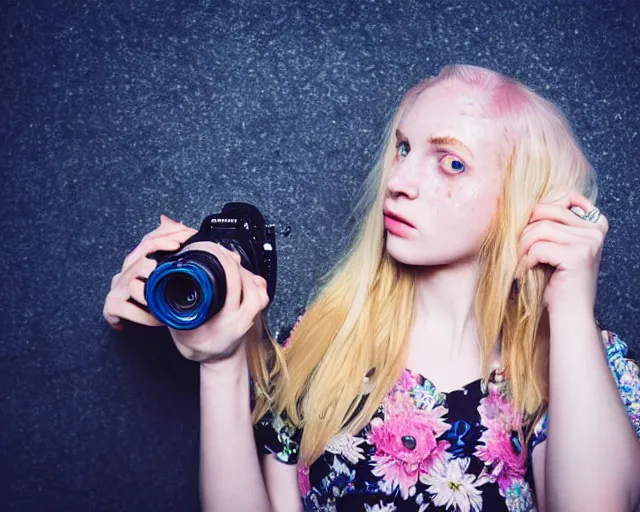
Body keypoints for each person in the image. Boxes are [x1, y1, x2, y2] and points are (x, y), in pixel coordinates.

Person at [103, 64, 640, 511]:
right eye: (404, 148)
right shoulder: (320, 348)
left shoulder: (576, 364)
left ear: (525, 197)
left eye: (451, 163)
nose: (400, 182)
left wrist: (569, 305)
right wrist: (218, 365)